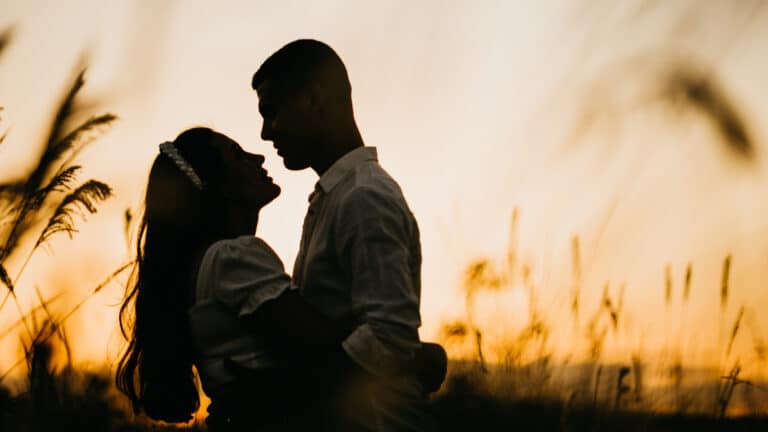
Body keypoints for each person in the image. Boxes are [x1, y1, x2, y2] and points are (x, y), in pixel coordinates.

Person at [115, 127, 351, 430]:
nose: (259, 157)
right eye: (238, 155)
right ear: (220, 186)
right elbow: (324, 349)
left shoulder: (206, 264)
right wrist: (408, 356)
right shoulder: (233, 259)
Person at [252, 39, 433, 431]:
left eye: (273, 112)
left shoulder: (363, 196)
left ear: (316, 98)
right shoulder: (337, 196)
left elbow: (390, 336)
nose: (266, 133)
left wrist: (284, 392)